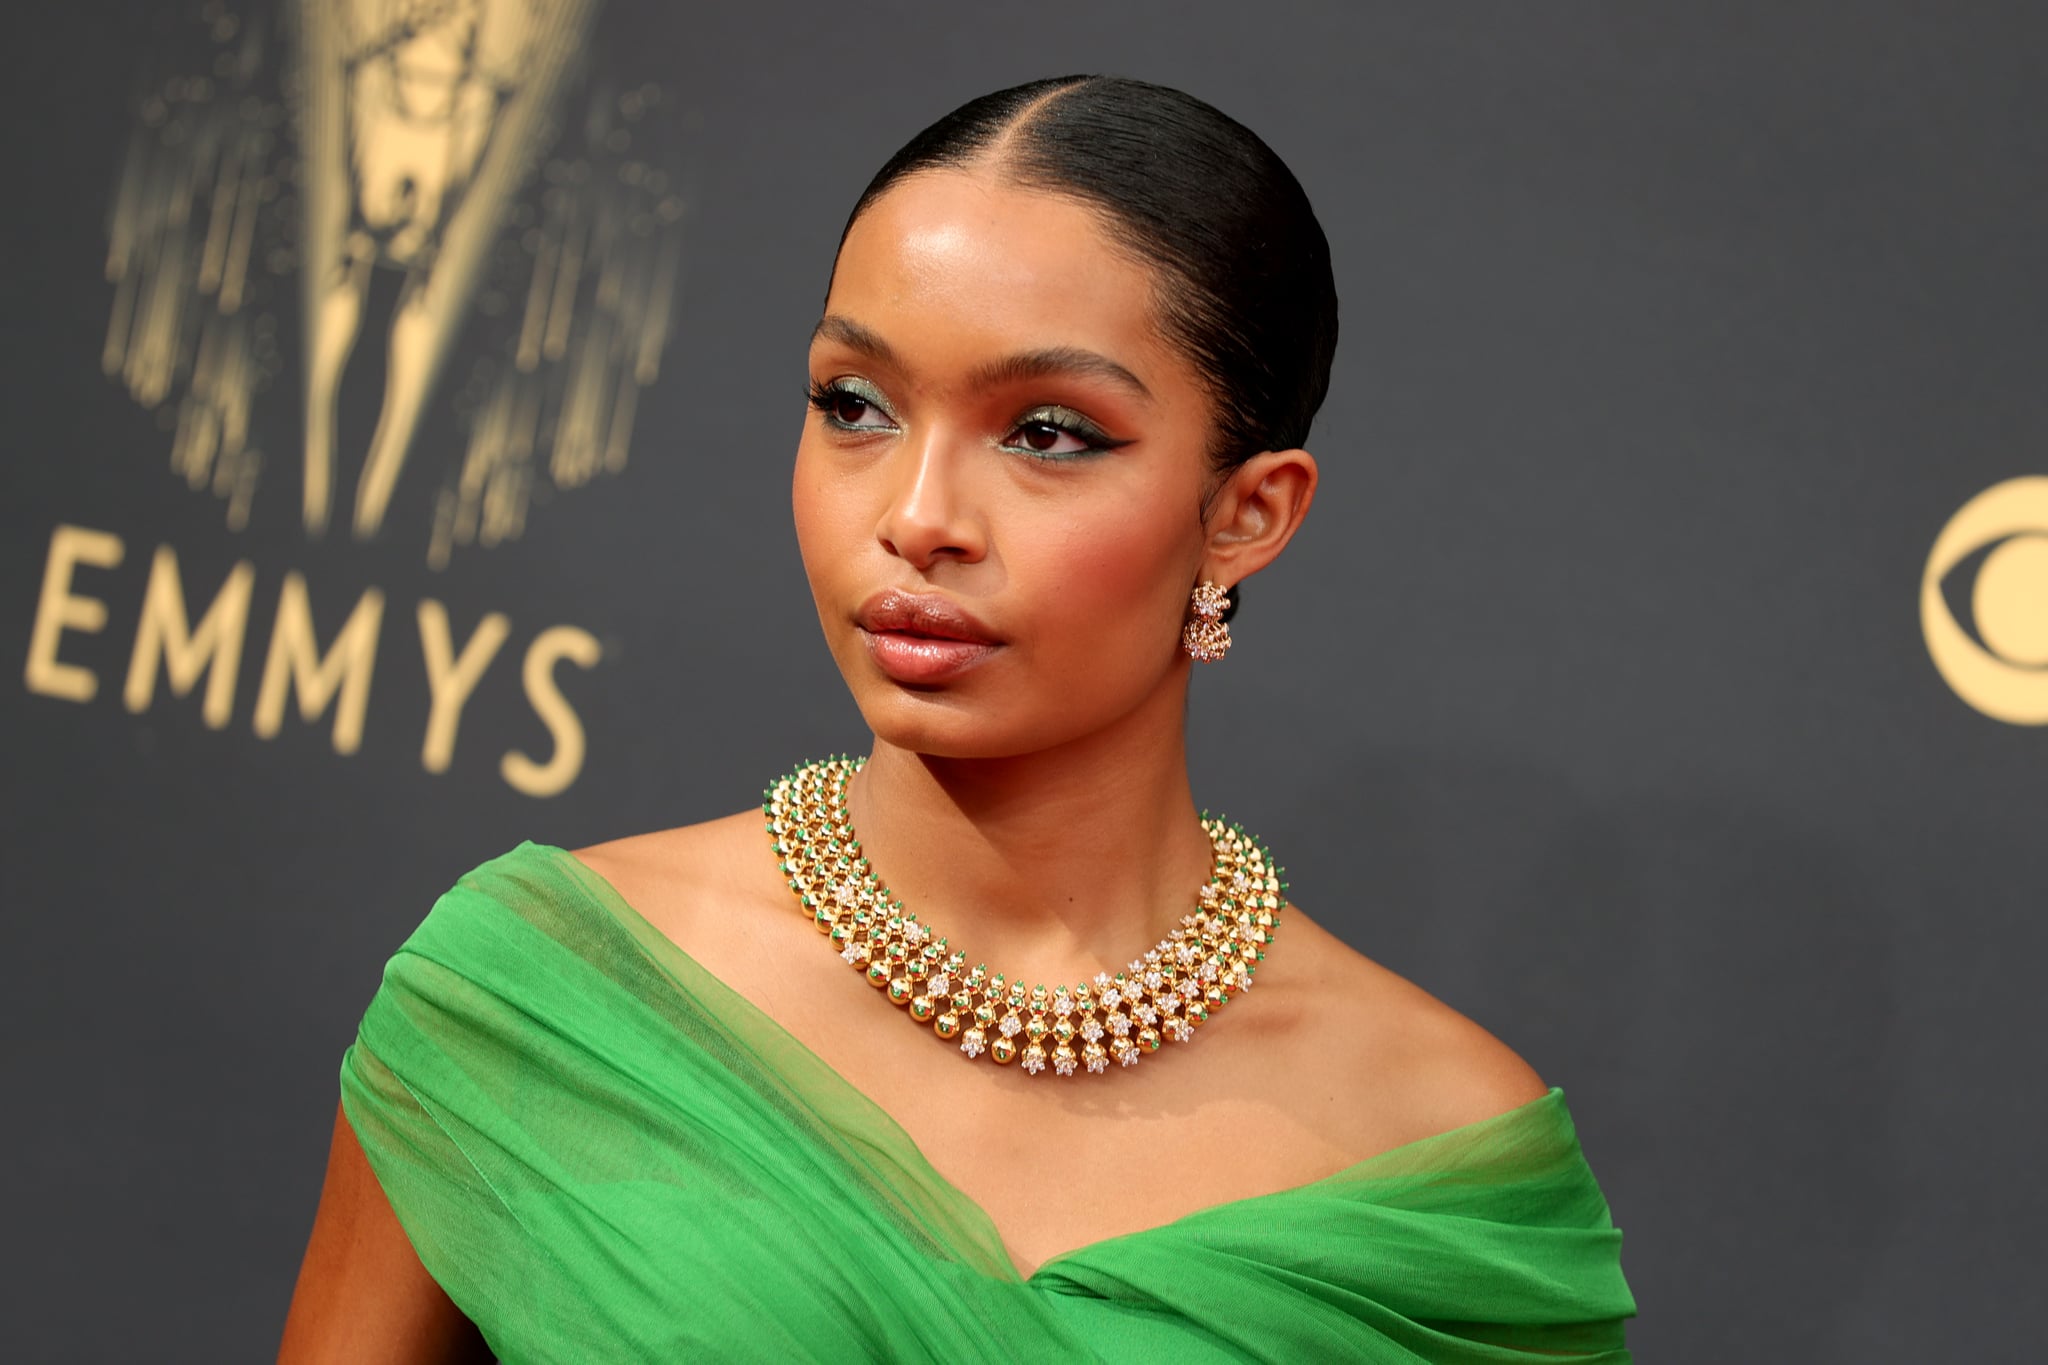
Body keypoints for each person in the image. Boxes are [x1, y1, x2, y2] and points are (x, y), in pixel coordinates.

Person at [279, 75, 1635, 1363]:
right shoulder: (538, 1002)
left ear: (1247, 513)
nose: (916, 515)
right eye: (853, 406)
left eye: (1047, 431)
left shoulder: (1445, 1163)